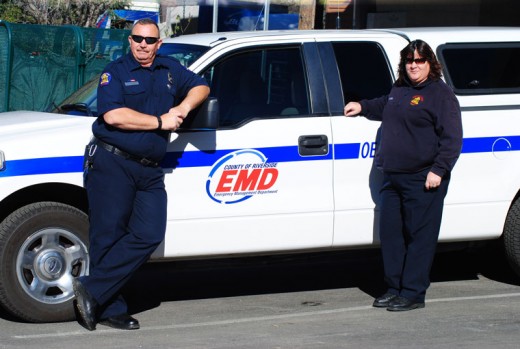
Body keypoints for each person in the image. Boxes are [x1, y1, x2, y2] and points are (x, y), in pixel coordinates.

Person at [73, 18, 210, 330]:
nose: (143, 45)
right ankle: (110, 309)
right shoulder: (116, 72)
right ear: (130, 40)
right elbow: (113, 115)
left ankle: (92, 288)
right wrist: (161, 122)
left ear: (158, 44)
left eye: (149, 40)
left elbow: (201, 86)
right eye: (137, 39)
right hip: (113, 163)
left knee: (149, 234)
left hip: (149, 170)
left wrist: (184, 108)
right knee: (108, 236)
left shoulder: (170, 69)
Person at [344, 40, 462, 311]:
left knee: (419, 238)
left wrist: (439, 170)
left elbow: (452, 138)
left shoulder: (440, 95)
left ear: (430, 63)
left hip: (423, 178)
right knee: (392, 236)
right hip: (393, 177)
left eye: (420, 60)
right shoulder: (401, 88)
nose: (414, 65)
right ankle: (395, 287)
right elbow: (386, 105)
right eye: (409, 60)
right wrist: (362, 107)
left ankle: (413, 293)